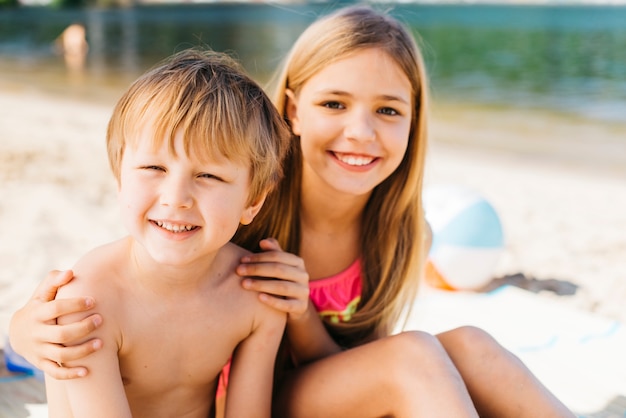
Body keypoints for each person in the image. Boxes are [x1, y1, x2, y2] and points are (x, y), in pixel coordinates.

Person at [10, 6, 574, 418]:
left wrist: (300, 312)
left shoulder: (399, 228)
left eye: (388, 110)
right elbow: (145, 275)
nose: (361, 131)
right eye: (334, 103)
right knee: (415, 359)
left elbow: (358, 359)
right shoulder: (242, 197)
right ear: (292, 109)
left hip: (321, 390)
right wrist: (22, 333)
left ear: (413, 121)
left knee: (467, 345)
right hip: (257, 396)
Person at [40, 48, 289, 418]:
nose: (176, 199)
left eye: (209, 176)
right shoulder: (90, 301)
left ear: (253, 201)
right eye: (154, 167)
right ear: (119, 177)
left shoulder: (255, 296)